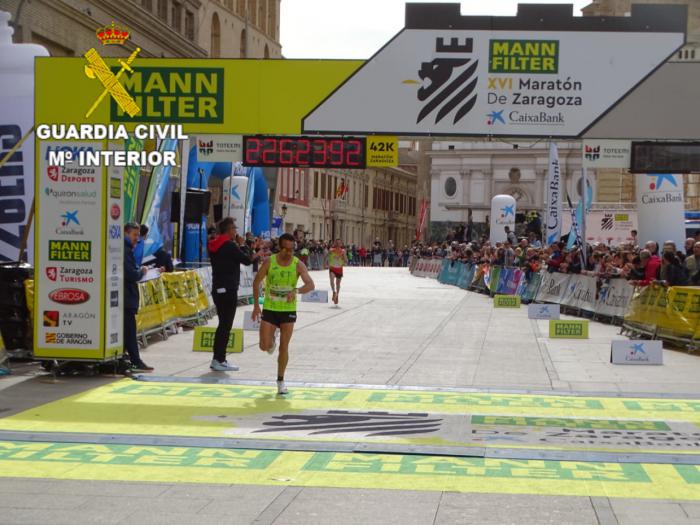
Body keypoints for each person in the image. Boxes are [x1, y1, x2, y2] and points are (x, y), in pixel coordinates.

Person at [252, 233, 315, 395]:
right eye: (286, 249)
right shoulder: (269, 262)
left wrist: (297, 290)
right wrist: (256, 307)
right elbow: (256, 281)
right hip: (270, 308)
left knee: (284, 347)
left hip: (288, 310)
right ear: (279, 247)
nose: (289, 253)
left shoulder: (297, 264)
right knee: (264, 346)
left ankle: (280, 381)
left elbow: (310, 285)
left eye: (292, 249)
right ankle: (271, 340)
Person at [207, 217, 258, 372]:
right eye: (234, 228)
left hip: (218, 288)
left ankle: (218, 358)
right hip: (228, 289)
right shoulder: (229, 245)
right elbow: (247, 260)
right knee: (225, 325)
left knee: (222, 325)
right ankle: (219, 359)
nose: (236, 231)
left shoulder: (213, 244)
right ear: (229, 230)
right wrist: (244, 245)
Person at [124, 222, 153, 372]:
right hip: (126, 297)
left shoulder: (128, 249)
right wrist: (142, 271)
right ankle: (135, 361)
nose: (137, 238)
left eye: (138, 235)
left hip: (126, 297)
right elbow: (131, 274)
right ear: (126, 233)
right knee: (129, 331)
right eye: (134, 235)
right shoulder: (125, 250)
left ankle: (125, 359)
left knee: (126, 330)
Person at [328, 238, 348, 304]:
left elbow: (346, 260)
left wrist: (344, 260)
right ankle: (334, 292)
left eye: (339, 243)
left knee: (338, 284)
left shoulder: (343, 251)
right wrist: (325, 263)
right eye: (337, 242)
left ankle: (337, 295)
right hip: (332, 268)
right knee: (331, 280)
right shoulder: (331, 250)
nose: (338, 244)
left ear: (341, 244)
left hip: (339, 268)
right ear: (335, 243)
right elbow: (327, 256)